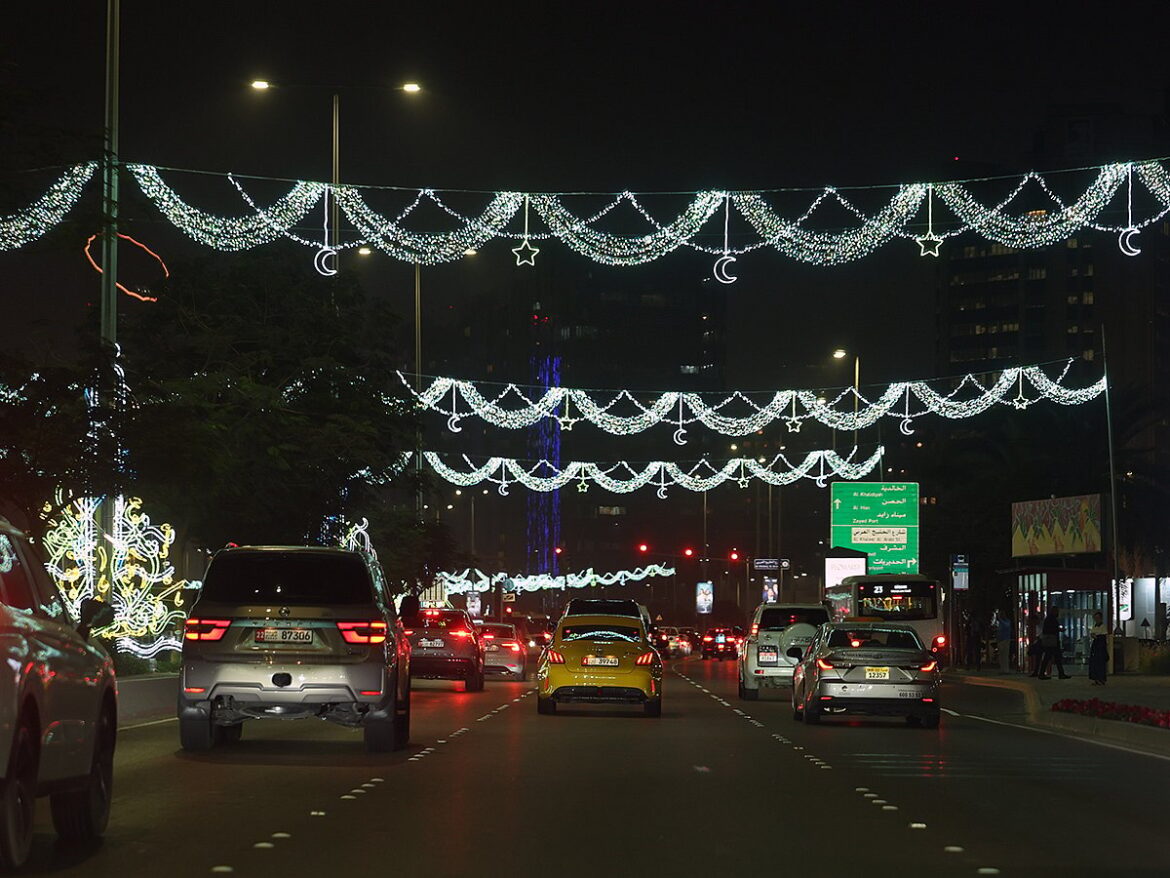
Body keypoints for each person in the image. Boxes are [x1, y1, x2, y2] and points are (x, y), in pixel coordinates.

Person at [1035, 605, 1071, 679]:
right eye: (1057, 611)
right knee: (1053, 657)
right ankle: (1059, 674)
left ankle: (1058, 673)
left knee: (1050, 657)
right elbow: (1052, 629)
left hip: (1050, 641)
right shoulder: (1052, 619)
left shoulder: (1048, 619)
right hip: (1052, 641)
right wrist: (1059, 630)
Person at [1087, 610, 1109, 685]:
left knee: (1100, 663)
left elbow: (1103, 637)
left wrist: (1096, 636)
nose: (1096, 619)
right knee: (1094, 662)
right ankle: (1096, 678)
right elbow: (1092, 634)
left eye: (1098, 618)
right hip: (1095, 645)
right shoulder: (1095, 626)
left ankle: (1101, 678)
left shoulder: (1103, 627)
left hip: (1100, 646)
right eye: (1095, 618)